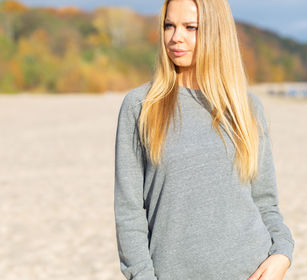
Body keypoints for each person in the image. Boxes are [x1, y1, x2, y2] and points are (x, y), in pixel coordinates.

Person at [114, 0, 295, 279]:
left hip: (251, 270)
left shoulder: (246, 108)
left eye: (191, 27)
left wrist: (282, 253)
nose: (176, 37)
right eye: (169, 26)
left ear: (216, 32)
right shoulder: (141, 107)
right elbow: (129, 213)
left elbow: (266, 203)